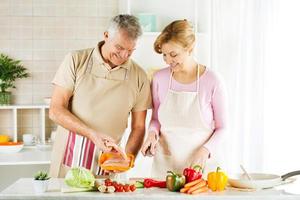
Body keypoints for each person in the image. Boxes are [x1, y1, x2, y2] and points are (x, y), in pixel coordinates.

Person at [49, 14, 151, 178]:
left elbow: (138, 127)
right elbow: (55, 110)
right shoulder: (76, 60)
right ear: (106, 36)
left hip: (110, 162)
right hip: (70, 158)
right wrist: (92, 134)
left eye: (130, 51)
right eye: (119, 48)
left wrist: (128, 159)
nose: (124, 55)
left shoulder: (139, 76)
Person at [141, 20, 227, 178]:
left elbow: (223, 128)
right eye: (164, 55)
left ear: (190, 48)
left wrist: (205, 150)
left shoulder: (213, 80)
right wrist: (152, 135)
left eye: (173, 54)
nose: (168, 61)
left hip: (202, 166)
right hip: (166, 167)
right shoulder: (159, 78)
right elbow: (155, 120)